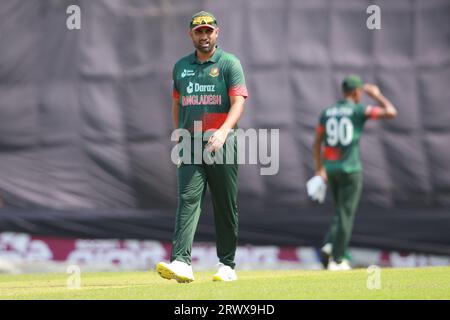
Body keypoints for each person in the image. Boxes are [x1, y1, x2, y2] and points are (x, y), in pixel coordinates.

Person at [156, 11, 248, 282]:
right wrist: (179, 134)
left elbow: (239, 102)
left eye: (209, 31)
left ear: (216, 33)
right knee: (187, 200)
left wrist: (222, 132)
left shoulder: (230, 63)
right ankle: (182, 262)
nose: (204, 36)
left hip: (222, 142)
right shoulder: (181, 66)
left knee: (224, 204)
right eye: (199, 31)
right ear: (191, 35)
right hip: (190, 143)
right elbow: (177, 103)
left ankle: (227, 265)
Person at [312, 75, 397, 271]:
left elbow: (317, 143)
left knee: (340, 211)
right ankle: (338, 258)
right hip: (350, 169)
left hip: (331, 169)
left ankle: (330, 244)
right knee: (346, 214)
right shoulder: (358, 110)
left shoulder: (327, 112)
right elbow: (391, 112)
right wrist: (377, 95)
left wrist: (319, 169)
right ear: (357, 92)